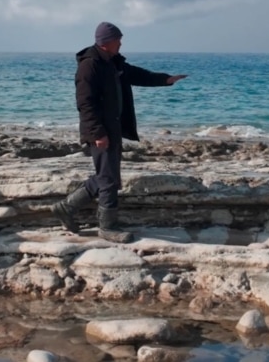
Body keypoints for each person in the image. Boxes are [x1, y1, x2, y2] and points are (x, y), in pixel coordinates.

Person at [51, 21, 187, 242]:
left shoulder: (113, 62)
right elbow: (85, 103)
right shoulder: (89, 65)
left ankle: (66, 208)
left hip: (112, 128)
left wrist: (166, 79)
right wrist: (97, 133)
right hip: (99, 132)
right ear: (106, 42)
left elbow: (137, 75)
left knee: (108, 177)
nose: (121, 43)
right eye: (118, 40)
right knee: (108, 179)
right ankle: (107, 227)